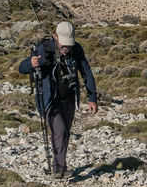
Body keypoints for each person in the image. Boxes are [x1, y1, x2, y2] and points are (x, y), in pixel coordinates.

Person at [17, 21, 98, 178]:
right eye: (63, 45)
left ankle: (58, 165)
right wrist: (31, 63)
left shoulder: (77, 49)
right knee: (59, 130)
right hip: (48, 99)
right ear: (55, 37)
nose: (66, 48)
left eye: (69, 44)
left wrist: (92, 97)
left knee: (65, 132)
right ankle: (60, 169)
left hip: (68, 97)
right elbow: (21, 68)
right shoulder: (44, 49)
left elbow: (86, 71)